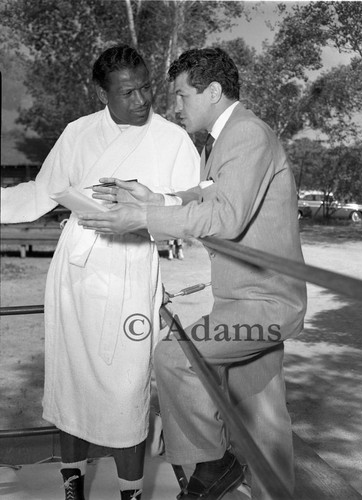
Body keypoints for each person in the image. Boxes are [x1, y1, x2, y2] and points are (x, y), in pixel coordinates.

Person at [79, 47, 307, 499]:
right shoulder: (227, 140)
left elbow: (225, 216)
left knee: (176, 357)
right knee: (265, 427)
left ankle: (215, 465)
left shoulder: (246, 134)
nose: (175, 106)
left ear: (214, 91)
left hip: (264, 304)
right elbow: (203, 193)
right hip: (244, 301)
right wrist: (152, 199)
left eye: (182, 96)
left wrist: (143, 220)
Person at [0, 45, 199, 500]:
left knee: (125, 388)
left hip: (131, 269)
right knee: (73, 382)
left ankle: (130, 493)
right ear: (101, 93)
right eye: (127, 92)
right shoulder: (78, 132)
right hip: (77, 269)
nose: (141, 100)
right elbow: (41, 193)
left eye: (145, 87)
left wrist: (148, 205)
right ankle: (73, 485)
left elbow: (191, 204)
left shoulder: (172, 140)